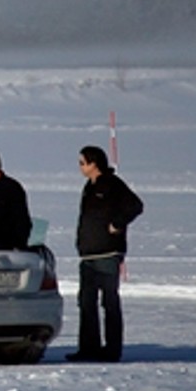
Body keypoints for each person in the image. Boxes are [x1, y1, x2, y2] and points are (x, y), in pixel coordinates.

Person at [67, 144, 143, 363]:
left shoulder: (112, 184)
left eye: (82, 163)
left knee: (109, 301)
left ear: (94, 163)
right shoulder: (89, 186)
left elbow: (135, 205)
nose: (80, 167)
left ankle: (112, 350)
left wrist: (117, 224)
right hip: (89, 254)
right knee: (86, 302)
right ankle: (88, 348)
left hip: (108, 253)